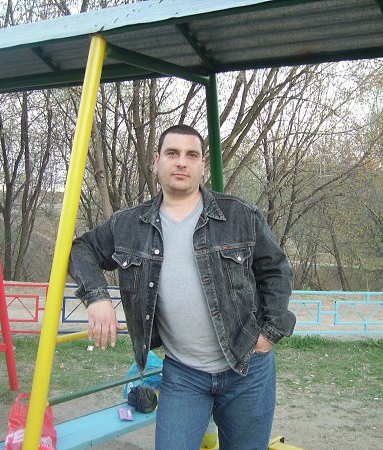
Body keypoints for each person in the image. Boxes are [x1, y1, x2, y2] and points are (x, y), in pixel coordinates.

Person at [69, 124, 296, 450]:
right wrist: (97, 297)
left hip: (248, 368)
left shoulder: (240, 215)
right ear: (157, 161)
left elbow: (276, 271)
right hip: (183, 375)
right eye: (172, 153)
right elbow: (81, 249)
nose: (181, 162)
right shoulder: (129, 224)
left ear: (202, 165)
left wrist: (269, 333)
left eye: (191, 155)